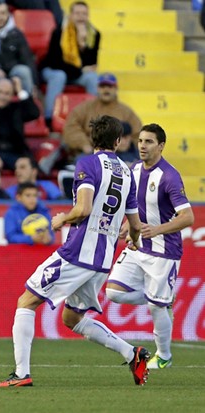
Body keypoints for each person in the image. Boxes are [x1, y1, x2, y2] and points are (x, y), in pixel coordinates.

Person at [0, 115, 150, 388]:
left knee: (26, 301)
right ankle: (132, 353)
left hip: (77, 253)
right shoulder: (127, 173)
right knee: (72, 318)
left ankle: (21, 374)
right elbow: (135, 224)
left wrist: (62, 218)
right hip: (102, 260)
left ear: (92, 139)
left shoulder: (87, 164)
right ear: (117, 141)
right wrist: (134, 240)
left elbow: (84, 209)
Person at [106, 123, 194, 370]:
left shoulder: (169, 176)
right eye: (141, 141)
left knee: (156, 307)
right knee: (113, 292)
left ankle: (164, 356)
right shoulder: (133, 169)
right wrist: (127, 223)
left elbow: (188, 217)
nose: (142, 146)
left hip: (164, 250)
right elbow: (132, 203)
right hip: (138, 245)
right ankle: (163, 300)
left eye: (149, 142)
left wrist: (157, 229)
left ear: (161, 146)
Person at [40, 1, 99, 128]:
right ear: (71, 15)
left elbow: (92, 64)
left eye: (84, 13)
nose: (80, 17)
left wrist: (82, 45)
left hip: (75, 73)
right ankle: (49, 118)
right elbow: (56, 62)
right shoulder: (59, 32)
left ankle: (94, 120)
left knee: (93, 77)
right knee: (59, 76)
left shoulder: (94, 35)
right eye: (77, 13)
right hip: (52, 70)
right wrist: (79, 70)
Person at [63, 72, 142, 161]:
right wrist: (84, 144)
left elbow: (137, 134)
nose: (106, 90)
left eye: (110, 87)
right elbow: (71, 128)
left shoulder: (126, 111)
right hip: (91, 152)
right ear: (97, 88)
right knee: (82, 163)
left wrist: (126, 144)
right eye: (102, 86)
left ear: (116, 88)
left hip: (120, 155)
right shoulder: (84, 108)